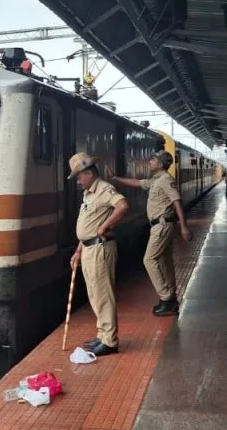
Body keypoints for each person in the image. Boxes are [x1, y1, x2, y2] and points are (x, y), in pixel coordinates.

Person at [111, 151, 192, 316]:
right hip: (161, 225)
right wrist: (117, 179)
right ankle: (171, 299)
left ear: (160, 164)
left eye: (153, 160)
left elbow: (177, 202)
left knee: (149, 259)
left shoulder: (166, 181)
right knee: (164, 261)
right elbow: (137, 182)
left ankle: (166, 297)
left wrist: (184, 227)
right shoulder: (156, 180)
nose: (149, 162)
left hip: (162, 225)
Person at [67, 152, 129, 356]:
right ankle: (103, 334)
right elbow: (87, 225)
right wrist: (78, 250)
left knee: (103, 294)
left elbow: (122, 206)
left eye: (79, 176)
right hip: (88, 248)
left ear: (89, 173)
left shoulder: (104, 189)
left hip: (100, 248)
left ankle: (110, 341)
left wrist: (105, 226)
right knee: (95, 293)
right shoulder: (89, 193)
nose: (77, 181)